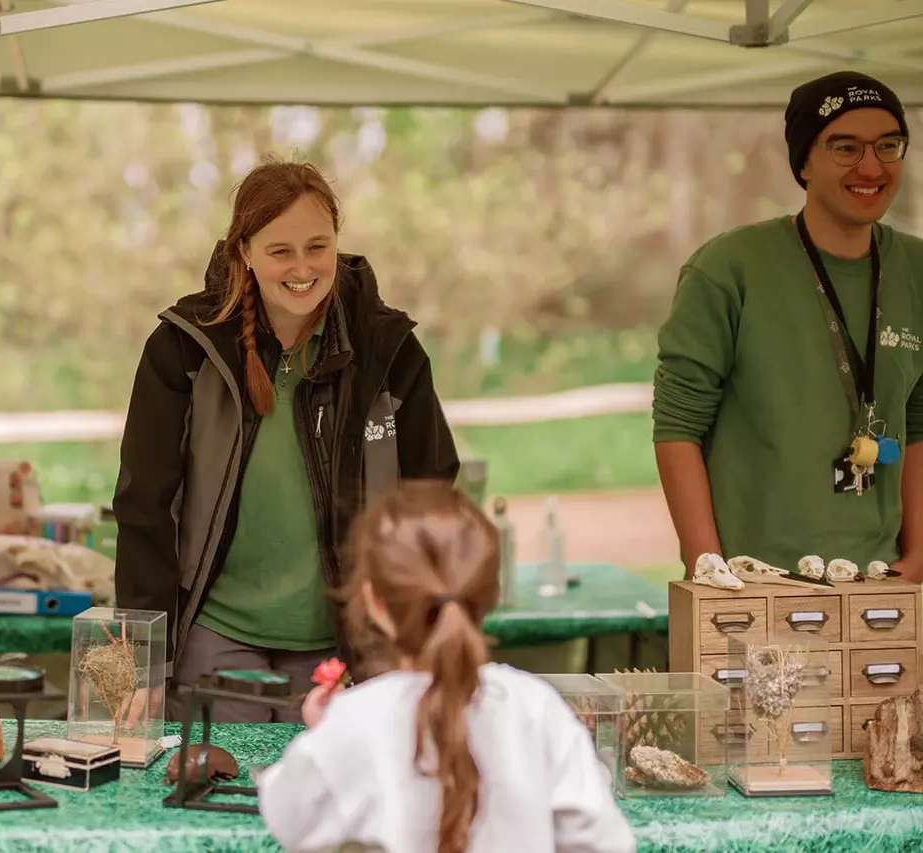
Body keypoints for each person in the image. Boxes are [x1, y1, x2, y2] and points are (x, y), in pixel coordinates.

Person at [113, 158, 459, 723]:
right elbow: (144, 504)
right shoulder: (184, 350)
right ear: (244, 252)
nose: (302, 268)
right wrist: (145, 660)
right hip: (215, 637)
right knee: (216, 799)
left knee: (335, 805)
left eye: (316, 247)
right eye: (280, 251)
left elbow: (431, 496)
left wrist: (415, 631)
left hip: (344, 644)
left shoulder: (388, 349)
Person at [256, 481, 635, 853]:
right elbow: (601, 840)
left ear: (374, 601)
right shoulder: (537, 709)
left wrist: (328, 734)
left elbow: (288, 815)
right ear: (489, 592)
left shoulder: (355, 722)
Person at [653, 71, 922, 580]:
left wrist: (918, 559)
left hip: (878, 580)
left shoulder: (916, 270)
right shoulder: (730, 268)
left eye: (889, 145)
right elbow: (677, 426)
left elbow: (920, 423)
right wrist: (707, 566)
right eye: (845, 147)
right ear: (804, 161)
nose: (871, 166)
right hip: (753, 580)